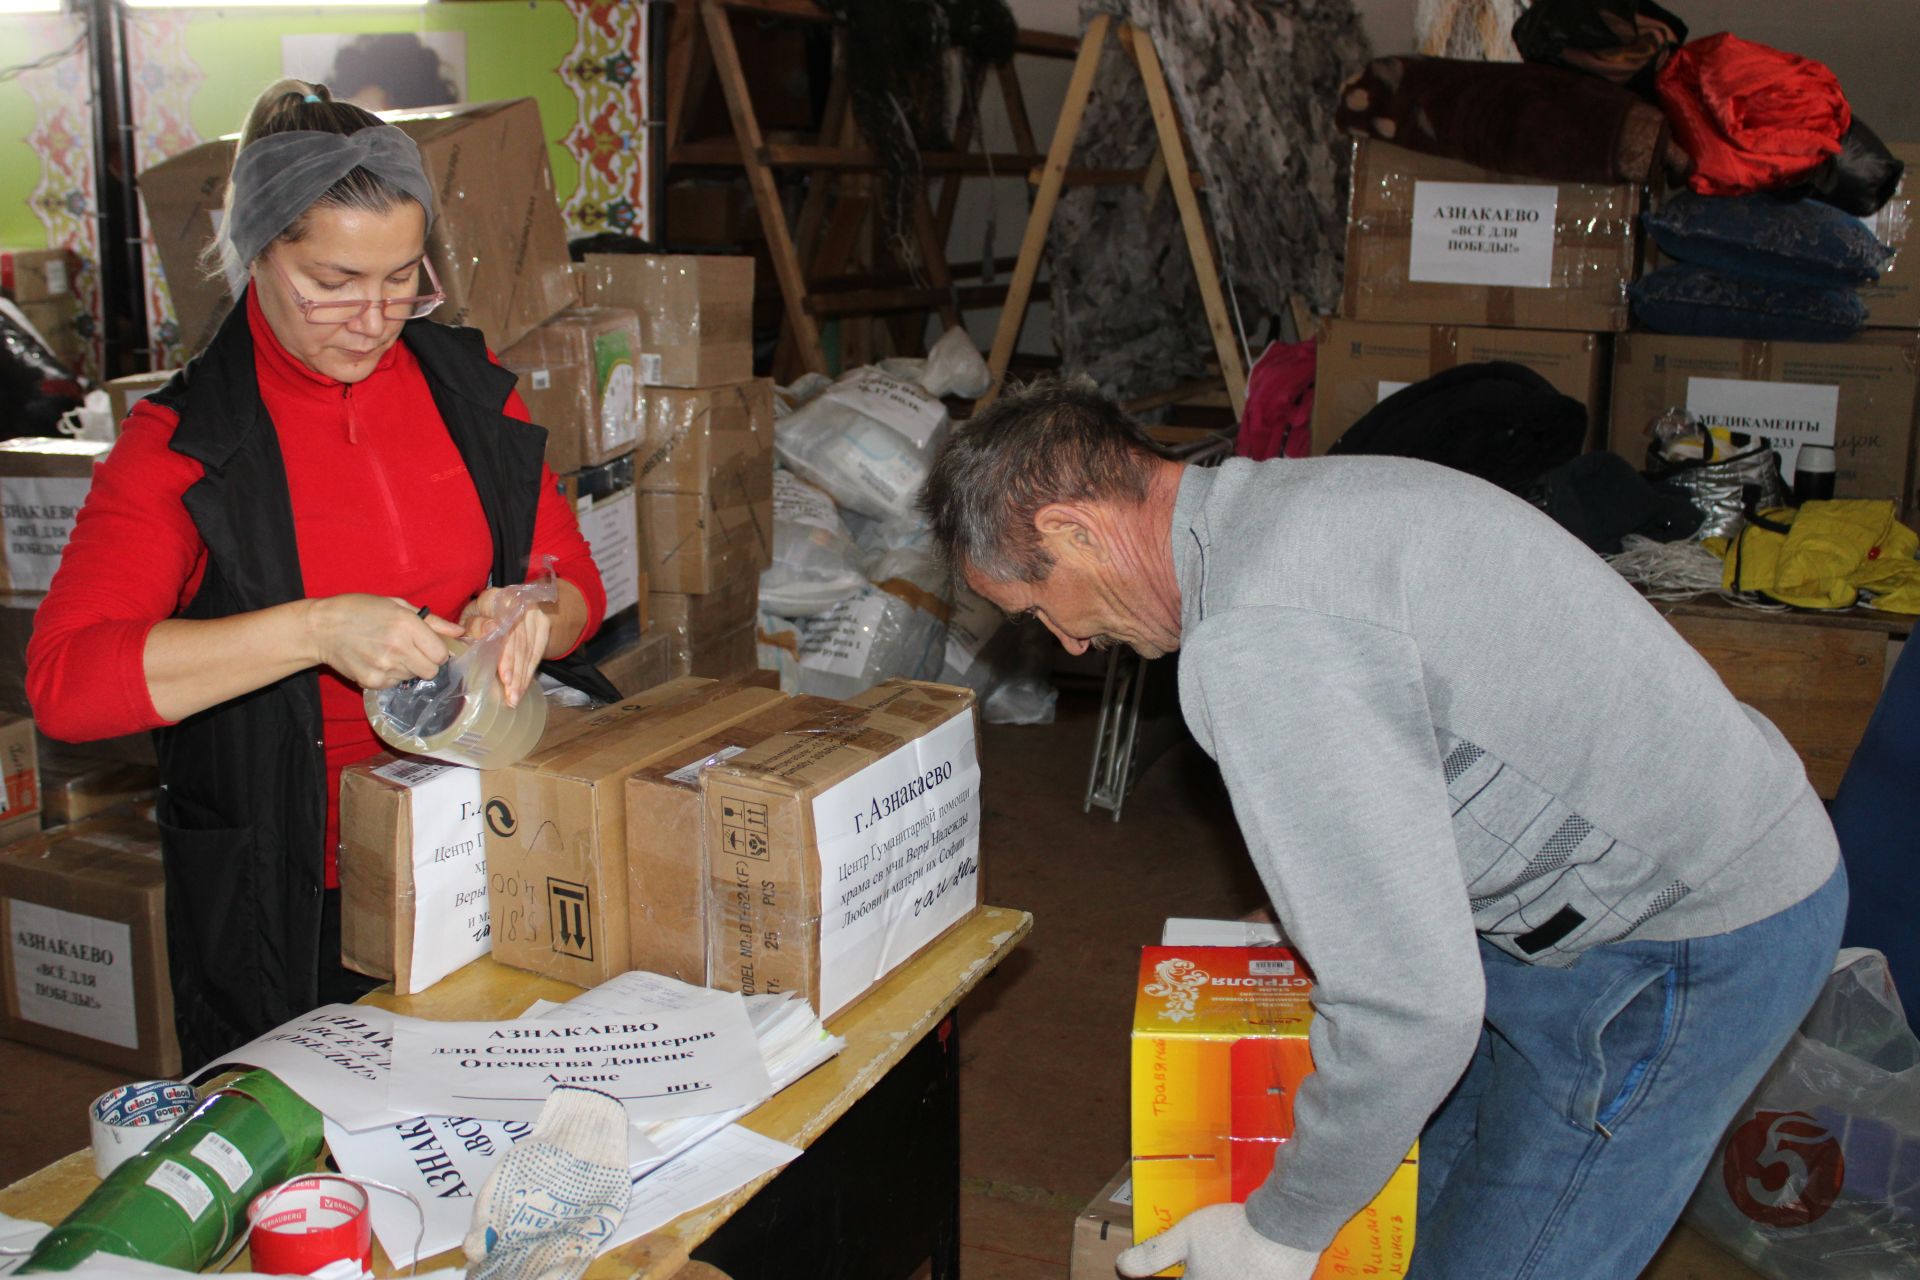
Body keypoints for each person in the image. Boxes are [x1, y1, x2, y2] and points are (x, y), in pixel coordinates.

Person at [922, 379, 1846, 1280]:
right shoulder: (1275, 509)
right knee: (1412, 1207)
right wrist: (1329, 888)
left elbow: (1413, 1014)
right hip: (1636, 871)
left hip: (1687, 939)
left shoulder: (1260, 638)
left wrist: (1276, 1234)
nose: (1071, 644)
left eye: (1040, 608)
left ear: (1073, 531)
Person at [27, 80, 612, 1068]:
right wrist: (312, 630)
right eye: (333, 280)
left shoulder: (468, 391)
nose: (373, 317)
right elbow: (67, 684)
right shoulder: (188, 445)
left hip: (483, 844)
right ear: (258, 252)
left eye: (401, 280)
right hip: (297, 891)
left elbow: (578, 581)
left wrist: (532, 614)